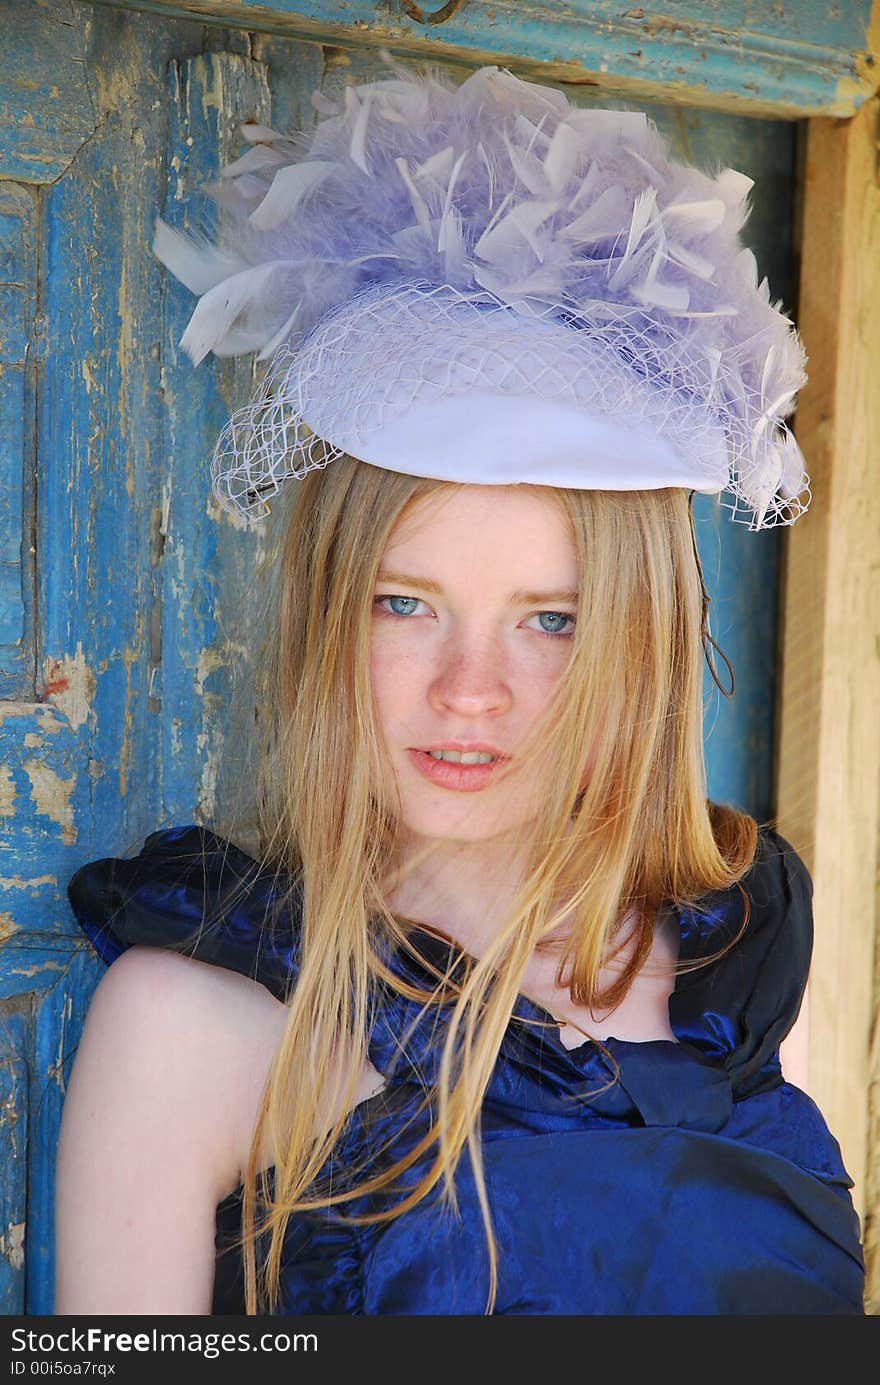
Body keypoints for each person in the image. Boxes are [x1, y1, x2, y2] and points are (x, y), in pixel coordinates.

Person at [55, 59, 865, 1316]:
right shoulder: (189, 1022)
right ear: (329, 612)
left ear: (635, 643)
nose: (469, 691)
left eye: (548, 620)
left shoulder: (734, 970)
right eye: (405, 603)